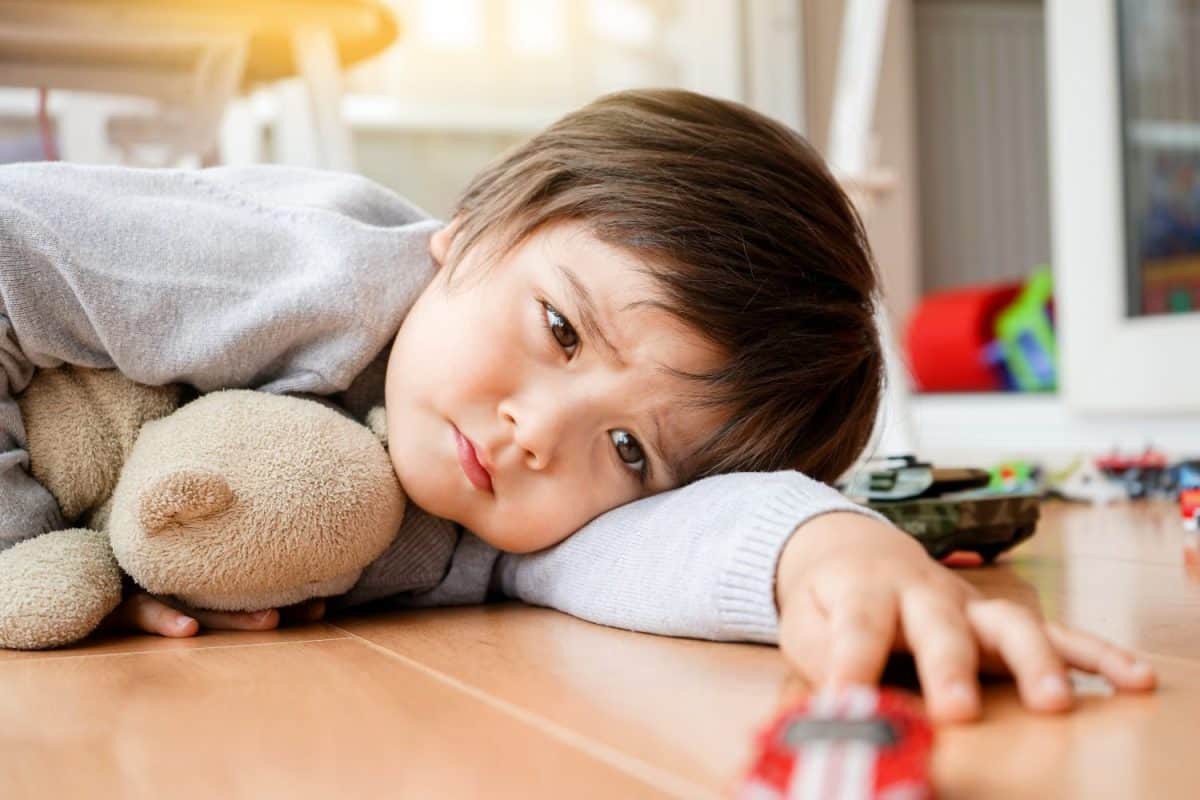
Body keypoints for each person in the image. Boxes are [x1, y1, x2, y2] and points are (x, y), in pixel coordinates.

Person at [0, 89, 1154, 722]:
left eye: (628, 449)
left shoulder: (533, 512)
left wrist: (829, 553)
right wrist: (35, 555)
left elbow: (663, 541)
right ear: (473, 226)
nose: (535, 433)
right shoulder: (298, 273)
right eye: (558, 329)